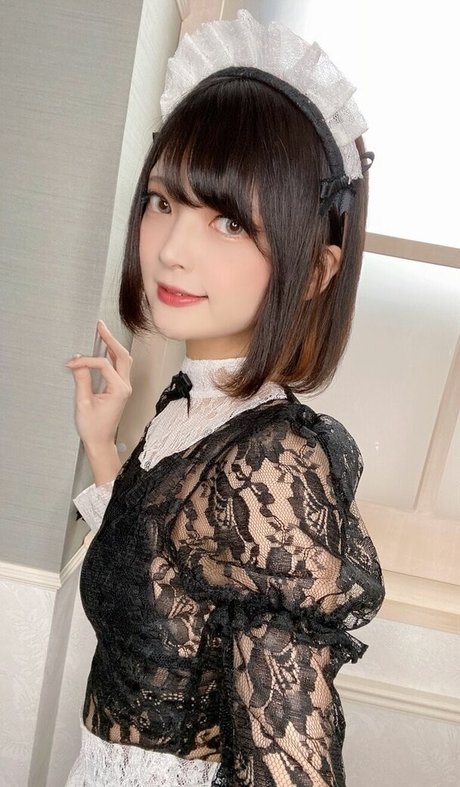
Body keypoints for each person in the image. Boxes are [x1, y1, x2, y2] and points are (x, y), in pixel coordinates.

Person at [64, 10, 385, 787]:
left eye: (229, 222)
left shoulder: (274, 460)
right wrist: (106, 445)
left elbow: (292, 768)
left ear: (314, 272)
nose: (173, 248)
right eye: (163, 201)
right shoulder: (191, 407)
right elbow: (159, 580)